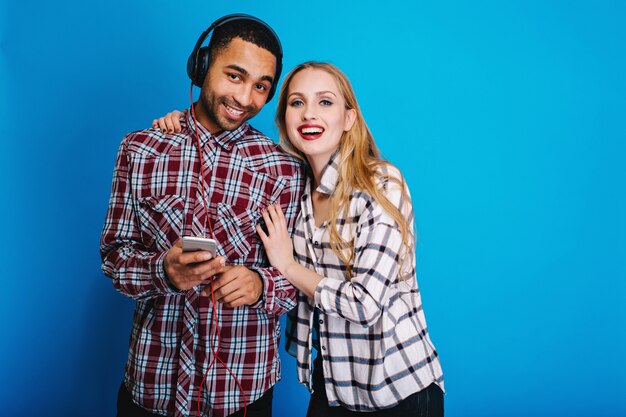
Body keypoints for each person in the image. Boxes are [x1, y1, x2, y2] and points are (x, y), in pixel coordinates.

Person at [100, 15, 304, 417]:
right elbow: (114, 258)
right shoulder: (140, 150)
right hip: (152, 386)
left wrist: (261, 284)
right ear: (202, 64)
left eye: (261, 86)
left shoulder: (284, 168)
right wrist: (164, 272)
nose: (246, 98)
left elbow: (301, 277)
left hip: (241, 392)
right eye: (234, 76)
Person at [256, 62, 445, 416]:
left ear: (349, 118)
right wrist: (181, 125)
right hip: (332, 387)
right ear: (283, 120)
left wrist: (287, 266)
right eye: (296, 103)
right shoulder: (291, 191)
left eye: (325, 102)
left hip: (398, 390)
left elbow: (364, 304)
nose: (309, 113)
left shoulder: (381, 184)